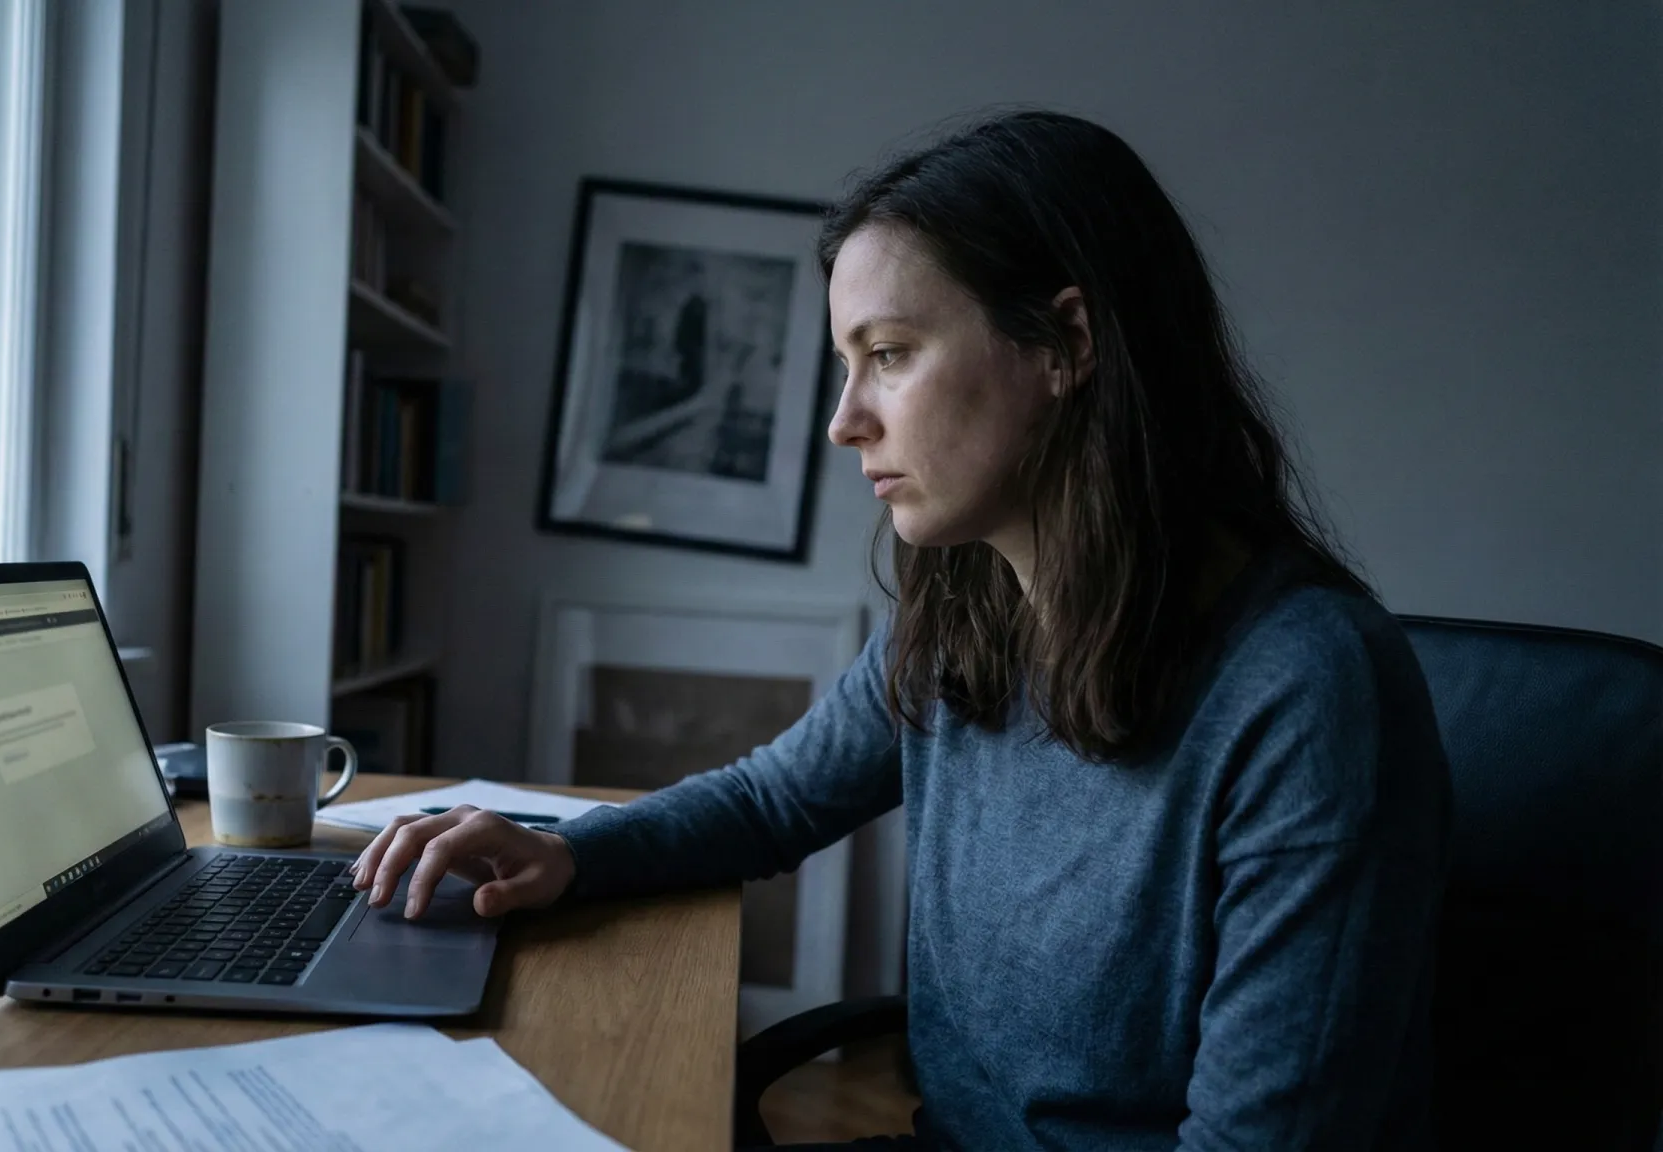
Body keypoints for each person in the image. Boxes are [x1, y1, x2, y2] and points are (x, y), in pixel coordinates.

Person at [351, 109, 1450, 1151]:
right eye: (846, 364)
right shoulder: (971, 610)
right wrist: (565, 857)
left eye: (890, 354)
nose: (844, 422)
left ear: (1066, 342)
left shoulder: (1307, 692)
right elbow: (771, 799)